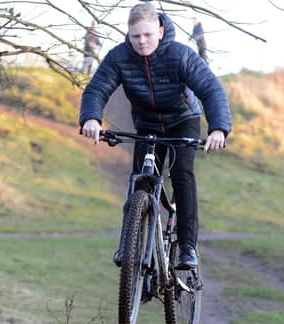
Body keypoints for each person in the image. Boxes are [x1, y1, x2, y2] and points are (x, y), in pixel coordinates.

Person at [80, 3, 231, 269]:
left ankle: (187, 247)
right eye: (135, 36)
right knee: (140, 183)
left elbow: (211, 89)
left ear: (160, 31)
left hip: (183, 121)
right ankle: (130, 245)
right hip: (148, 124)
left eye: (147, 35)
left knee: (182, 174)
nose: (141, 42)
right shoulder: (120, 57)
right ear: (129, 35)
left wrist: (218, 128)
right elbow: (96, 89)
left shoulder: (179, 55)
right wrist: (91, 117)